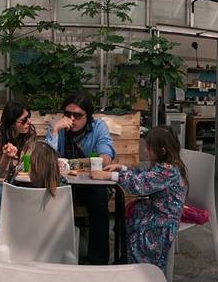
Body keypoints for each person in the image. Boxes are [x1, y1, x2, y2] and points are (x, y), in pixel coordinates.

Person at [91, 127, 187, 271]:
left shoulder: (168, 171)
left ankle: (142, 268)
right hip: (155, 211)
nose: (145, 151)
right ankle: (127, 257)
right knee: (129, 214)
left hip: (164, 221)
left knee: (141, 235)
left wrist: (110, 176)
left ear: (162, 151)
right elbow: (144, 174)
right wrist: (122, 168)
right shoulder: (163, 166)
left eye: (148, 148)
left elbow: (140, 185)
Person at [45, 92, 116, 264]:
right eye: (68, 114)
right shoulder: (58, 128)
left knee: (99, 198)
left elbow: (105, 158)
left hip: (90, 184)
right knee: (47, 194)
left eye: (77, 115)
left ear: (88, 116)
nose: (72, 119)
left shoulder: (98, 127)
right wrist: (55, 131)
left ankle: (97, 260)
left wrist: (71, 164)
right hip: (63, 184)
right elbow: (46, 160)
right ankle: (51, 255)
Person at [0, 101, 37, 257]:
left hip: (19, 178)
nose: (28, 122)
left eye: (29, 117)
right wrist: (6, 157)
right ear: (12, 122)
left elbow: (28, 162)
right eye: (24, 120)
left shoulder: (30, 133)